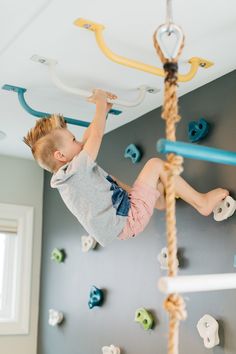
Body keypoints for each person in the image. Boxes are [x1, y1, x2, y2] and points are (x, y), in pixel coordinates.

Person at [23, 89, 229, 247]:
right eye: (73, 140)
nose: (79, 142)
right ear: (60, 155)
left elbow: (87, 138)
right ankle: (202, 202)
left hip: (121, 222)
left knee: (132, 180)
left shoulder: (67, 179)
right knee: (155, 165)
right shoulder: (75, 172)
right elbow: (94, 137)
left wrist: (105, 112)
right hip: (128, 218)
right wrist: (101, 103)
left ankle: (159, 200)